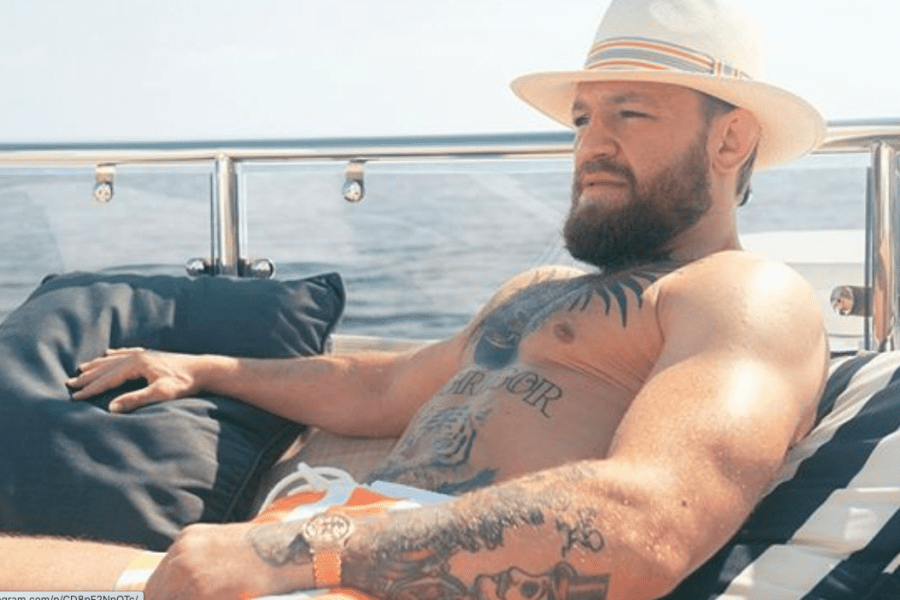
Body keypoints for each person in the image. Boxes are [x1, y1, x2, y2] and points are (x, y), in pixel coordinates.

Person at [0, 0, 830, 598]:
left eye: (631, 113)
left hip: (379, 571)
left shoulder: (745, 294)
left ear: (731, 137)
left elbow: (649, 520)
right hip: (319, 554)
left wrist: (299, 548)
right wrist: (206, 367)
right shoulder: (538, 292)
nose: (590, 146)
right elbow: (382, 388)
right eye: (582, 120)